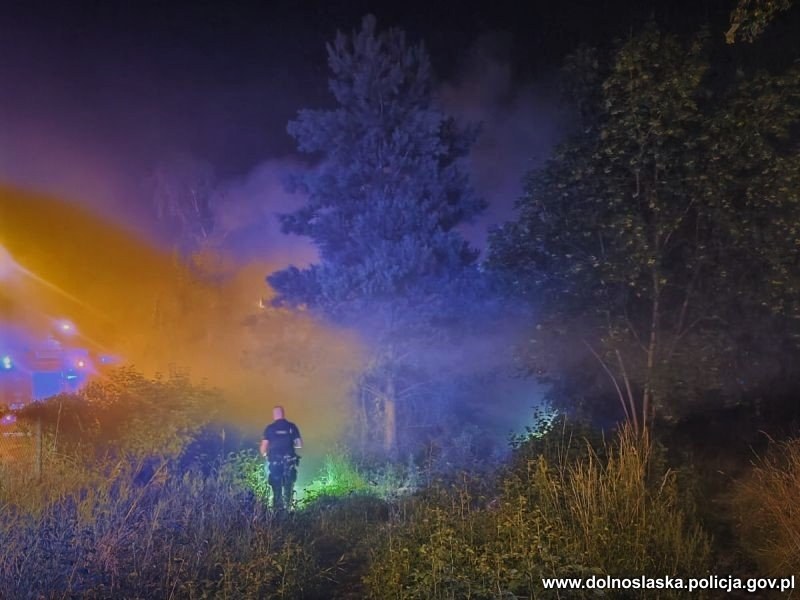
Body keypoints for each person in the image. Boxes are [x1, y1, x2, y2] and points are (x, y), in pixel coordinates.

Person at [260, 406, 302, 510]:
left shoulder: (270, 428)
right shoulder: (291, 426)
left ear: (274, 415)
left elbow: (263, 447)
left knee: (276, 488)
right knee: (289, 486)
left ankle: (277, 512)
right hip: (289, 461)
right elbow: (299, 444)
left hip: (275, 462)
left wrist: (265, 455)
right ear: (283, 414)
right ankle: (288, 510)